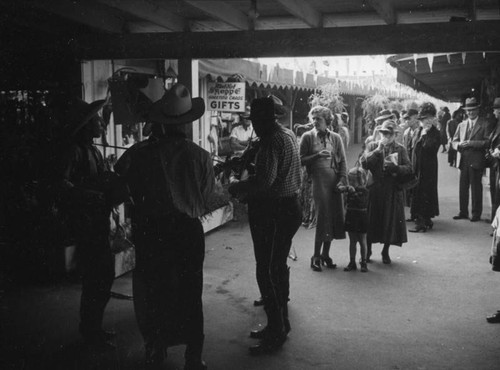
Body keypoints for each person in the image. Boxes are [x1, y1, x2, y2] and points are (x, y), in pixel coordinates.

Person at [117, 84, 214, 369]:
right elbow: (206, 199)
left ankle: (156, 348)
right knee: (190, 293)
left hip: (153, 232)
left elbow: (121, 181)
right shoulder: (201, 156)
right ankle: (193, 357)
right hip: (187, 232)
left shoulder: (140, 153)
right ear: (187, 123)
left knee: (156, 293)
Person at [228, 96, 302, 355]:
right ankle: (281, 323)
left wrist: (237, 186)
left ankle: (276, 332)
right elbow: (275, 171)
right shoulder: (288, 134)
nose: (255, 126)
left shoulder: (270, 141)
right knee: (277, 267)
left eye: (256, 121)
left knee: (266, 271)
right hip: (290, 206)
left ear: (264, 120)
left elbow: (264, 183)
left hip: (273, 211)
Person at [60, 97, 116, 349]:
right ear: (86, 125)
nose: (102, 124)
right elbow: (62, 185)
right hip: (86, 224)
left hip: (98, 222)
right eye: (96, 120)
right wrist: (92, 195)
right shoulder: (74, 151)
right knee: (97, 279)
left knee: (102, 279)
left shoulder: (93, 150)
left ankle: (94, 327)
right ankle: (91, 331)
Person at [299, 105, 347, 272]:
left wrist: (342, 181)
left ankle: (326, 254)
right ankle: (315, 256)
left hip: (334, 182)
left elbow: (342, 162)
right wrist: (317, 156)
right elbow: (300, 160)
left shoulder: (336, 138)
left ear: (327, 121)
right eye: (313, 118)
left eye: (318, 119)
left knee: (333, 218)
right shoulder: (307, 137)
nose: (314, 122)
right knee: (322, 219)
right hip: (317, 181)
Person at [361, 120, 412, 264]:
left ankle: (385, 251)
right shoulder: (372, 145)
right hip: (374, 188)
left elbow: (409, 168)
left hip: (391, 189)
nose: (386, 136)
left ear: (394, 135)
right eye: (384, 133)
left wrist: (396, 168)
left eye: (389, 134)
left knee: (389, 221)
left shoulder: (400, 149)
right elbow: (364, 163)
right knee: (371, 220)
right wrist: (378, 150)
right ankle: (368, 250)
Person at [452, 97, 490, 222]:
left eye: (473, 110)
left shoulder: (484, 124)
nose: (470, 113)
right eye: (468, 110)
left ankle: (476, 214)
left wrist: (472, 143)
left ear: (477, 110)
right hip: (463, 160)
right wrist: (458, 145)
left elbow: (487, 142)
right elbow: (453, 141)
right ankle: (463, 212)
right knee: (463, 187)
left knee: (476, 188)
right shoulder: (461, 125)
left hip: (477, 159)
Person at [408, 103, 441, 232]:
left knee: (426, 191)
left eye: (429, 118)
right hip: (417, 165)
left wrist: (425, 135)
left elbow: (430, 148)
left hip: (429, 167)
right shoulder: (417, 131)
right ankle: (423, 219)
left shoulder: (435, 133)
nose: (427, 121)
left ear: (433, 119)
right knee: (418, 191)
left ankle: (423, 221)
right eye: (424, 119)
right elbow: (413, 147)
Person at [342, 165, 369, 273]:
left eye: (352, 180)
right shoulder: (350, 189)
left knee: (362, 241)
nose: (350, 183)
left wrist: (353, 192)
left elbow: (362, 202)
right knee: (352, 241)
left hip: (361, 216)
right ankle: (352, 262)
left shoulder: (365, 190)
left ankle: (364, 262)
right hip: (351, 215)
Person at [402, 108, 420, 222]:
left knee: (418, 190)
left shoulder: (420, 131)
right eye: (406, 118)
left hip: (418, 164)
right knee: (410, 191)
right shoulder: (407, 132)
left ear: (415, 118)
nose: (407, 121)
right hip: (409, 164)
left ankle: (418, 215)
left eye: (409, 118)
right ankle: (413, 214)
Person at [488, 98, 500, 222]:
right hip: (495, 163)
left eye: (495, 110)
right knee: (495, 194)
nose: (494, 113)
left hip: (498, 163)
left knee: (497, 195)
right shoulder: (497, 123)